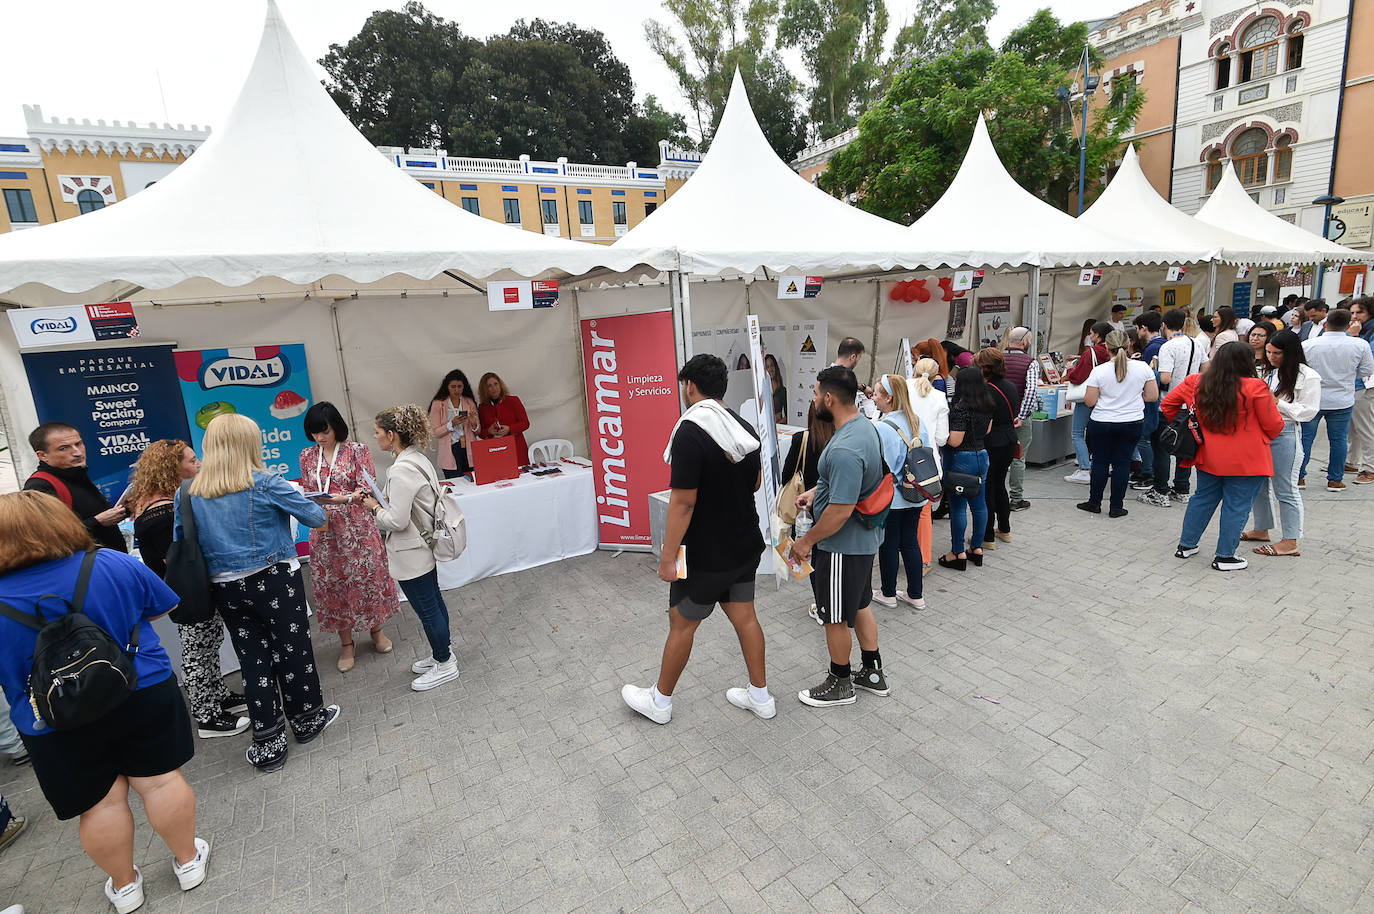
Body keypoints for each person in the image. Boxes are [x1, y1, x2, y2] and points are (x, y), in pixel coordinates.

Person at [0, 491, 211, 911]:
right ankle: (188, 862)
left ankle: (125, 886)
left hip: (50, 716)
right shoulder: (109, 563)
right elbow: (161, 608)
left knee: (99, 803)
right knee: (161, 780)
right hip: (140, 687)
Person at [176, 414, 338, 771]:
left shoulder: (188, 491)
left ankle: (268, 742)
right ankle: (308, 720)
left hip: (225, 588)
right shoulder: (266, 483)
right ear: (250, 444)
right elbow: (316, 518)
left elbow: (181, 541)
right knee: (292, 652)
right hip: (275, 578)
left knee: (253, 662)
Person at [622, 354, 771, 724]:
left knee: (682, 622)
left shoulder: (690, 430)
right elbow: (755, 483)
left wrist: (667, 556)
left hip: (705, 553)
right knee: (746, 618)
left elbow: (683, 501)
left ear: (690, 386)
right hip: (743, 544)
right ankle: (760, 696)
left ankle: (660, 702)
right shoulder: (742, 426)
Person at [127, 440, 249, 739]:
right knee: (197, 650)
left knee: (207, 644)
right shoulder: (164, 512)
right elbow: (177, 554)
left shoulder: (155, 501)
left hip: (184, 587)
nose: (199, 465)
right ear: (172, 468)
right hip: (186, 589)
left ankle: (218, 694)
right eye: (192, 461)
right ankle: (207, 715)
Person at [788, 367, 889, 707]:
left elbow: (840, 511)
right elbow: (850, 486)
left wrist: (806, 542)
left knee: (834, 616)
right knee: (860, 605)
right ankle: (872, 673)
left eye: (816, 393)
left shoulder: (845, 447)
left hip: (840, 547)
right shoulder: (864, 428)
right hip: (862, 543)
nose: (814, 399)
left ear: (829, 398)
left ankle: (840, 682)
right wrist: (818, 492)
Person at [360, 405, 459, 692]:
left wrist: (374, 506)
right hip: (422, 545)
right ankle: (444, 653)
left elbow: (396, 520)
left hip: (410, 550)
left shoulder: (400, 469)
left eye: (378, 433)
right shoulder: (417, 459)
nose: (375, 437)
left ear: (392, 435)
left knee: (428, 609)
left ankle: (444, 663)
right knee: (434, 603)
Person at [1161, 342, 1284, 571]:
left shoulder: (1197, 381)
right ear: (1248, 361)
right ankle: (1225, 556)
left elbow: (1168, 404)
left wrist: (1192, 424)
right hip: (1248, 459)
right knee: (1237, 506)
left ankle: (1186, 545)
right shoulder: (1256, 387)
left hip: (1208, 454)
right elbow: (1275, 426)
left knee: (1202, 499)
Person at [299, 402, 400, 673]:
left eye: (325, 431)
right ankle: (346, 644)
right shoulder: (307, 456)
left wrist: (343, 498)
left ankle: (376, 630)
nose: (320, 437)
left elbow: (367, 486)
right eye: (315, 432)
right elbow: (309, 490)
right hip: (325, 528)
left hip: (357, 526)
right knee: (334, 584)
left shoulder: (357, 450)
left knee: (366, 578)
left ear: (336, 428)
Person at [1243, 329, 1321, 557]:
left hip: (1286, 432)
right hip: (1262, 432)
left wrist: (1277, 403)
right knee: (1258, 485)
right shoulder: (1271, 372)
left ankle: (1290, 540)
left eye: (1277, 353)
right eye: (1268, 352)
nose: (1271, 357)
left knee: (1286, 489)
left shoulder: (1308, 376)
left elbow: (1309, 412)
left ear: (1291, 352)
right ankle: (1262, 528)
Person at [1079, 330, 1159, 518]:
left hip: (1102, 422)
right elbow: (1152, 396)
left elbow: (1090, 401)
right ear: (1129, 345)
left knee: (1099, 462)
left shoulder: (1099, 371)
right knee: (1122, 464)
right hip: (1131, 422)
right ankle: (1116, 507)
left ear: (1107, 347)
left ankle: (1094, 502)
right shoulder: (1144, 368)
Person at [1140, 309, 1211, 507]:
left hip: (1168, 404)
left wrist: (1152, 371)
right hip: (1189, 405)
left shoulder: (1168, 347)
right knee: (1185, 447)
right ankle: (1181, 488)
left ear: (1164, 325)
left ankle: (1160, 489)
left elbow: (1165, 378)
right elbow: (1205, 371)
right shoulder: (1196, 343)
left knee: (1162, 447)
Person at [1300, 308, 1374, 490]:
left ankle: (1299, 476)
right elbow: (1366, 371)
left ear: (1325, 324)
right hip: (1342, 398)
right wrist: (1348, 375)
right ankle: (1335, 479)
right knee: (1339, 440)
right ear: (1348, 325)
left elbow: (1301, 370)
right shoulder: (1359, 344)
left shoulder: (1309, 344)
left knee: (1305, 439)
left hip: (1314, 398)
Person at [22, 422, 126, 552]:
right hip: (86, 567)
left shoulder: (74, 473)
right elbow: (46, 537)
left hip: (108, 561)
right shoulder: (39, 486)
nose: (77, 452)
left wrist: (126, 509)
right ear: (43, 456)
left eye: (78, 444)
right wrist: (97, 522)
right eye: (64, 448)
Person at [871, 375, 928, 610]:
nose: (873, 397)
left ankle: (888, 593)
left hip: (892, 496)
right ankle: (916, 595)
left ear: (888, 398)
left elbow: (877, 465)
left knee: (889, 544)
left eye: (876, 394)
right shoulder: (917, 421)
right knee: (911, 542)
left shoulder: (881, 428)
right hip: (916, 492)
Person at [940, 366, 994, 570]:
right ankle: (977, 548)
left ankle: (957, 552)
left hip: (962, 459)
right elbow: (987, 430)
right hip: (982, 456)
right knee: (980, 505)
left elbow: (955, 441)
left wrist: (941, 438)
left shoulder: (960, 407)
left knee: (959, 507)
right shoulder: (988, 403)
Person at [906, 357, 949, 564]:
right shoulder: (940, 397)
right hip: (927, 465)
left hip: (900, 459)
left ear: (914, 370)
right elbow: (942, 437)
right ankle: (922, 559)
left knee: (896, 512)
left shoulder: (902, 388)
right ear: (935, 377)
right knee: (923, 513)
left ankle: (894, 554)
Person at [974, 349, 1019, 548]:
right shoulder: (1010, 386)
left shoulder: (986, 390)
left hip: (993, 441)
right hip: (1010, 440)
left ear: (985, 368)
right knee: (1000, 485)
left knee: (988, 488)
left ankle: (987, 537)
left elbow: (983, 420)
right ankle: (1004, 529)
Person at [1064, 322, 1113, 484]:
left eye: (1091, 334)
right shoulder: (1112, 352)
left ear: (1098, 335)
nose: (1090, 337)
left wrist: (1071, 368)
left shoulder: (1091, 352)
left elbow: (1078, 377)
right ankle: (1100, 465)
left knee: (1077, 433)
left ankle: (1084, 469)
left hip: (1087, 397)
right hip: (1106, 397)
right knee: (1100, 434)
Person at [1002, 327, 1038, 511]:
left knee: (995, 456)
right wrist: (1022, 416)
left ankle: (993, 493)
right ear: (1024, 342)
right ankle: (1016, 498)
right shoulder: (1030, 362)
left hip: (997, 417)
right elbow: (1031, 391)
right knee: (1018, 457)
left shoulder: (997, 358)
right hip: (1017, 417)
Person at [1130, 311, 1166, 491]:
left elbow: (1146, 377)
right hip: (1156, 399)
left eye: (1137, 329)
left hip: (1149, 400)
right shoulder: (1162, 345)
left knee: (1144, 439)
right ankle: (1147, 470)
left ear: (1144, 328)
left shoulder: (1153, 348)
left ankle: (1148, 472)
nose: (1137, 333)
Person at [428, 370, 481, 479]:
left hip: (469, 449)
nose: (456, 390)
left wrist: (473, 422)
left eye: (459, 386)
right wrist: (452, 424)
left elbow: (478, 431)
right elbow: (436, 432)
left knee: (472, 482)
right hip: (450, 450)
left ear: (464, 386)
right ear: (447, 387)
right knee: (456, 484)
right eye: (453, 386)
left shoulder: (469, 402)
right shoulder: (438, 403)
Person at [1343, 296, 1374, 483]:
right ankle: (1351, 461)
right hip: (1352, 384)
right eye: (1352, 312)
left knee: (1366, 428)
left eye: (1359, 312)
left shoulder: (1369, 332)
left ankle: (1370, 467)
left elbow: (1368, 358)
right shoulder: (1356, 330)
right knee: (1352, 427)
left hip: (1366, 385)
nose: (1355, 316)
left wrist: (1353, 337)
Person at [476, 372, 531, 466]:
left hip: (516, 448)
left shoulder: (513, 401)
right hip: (495, 451)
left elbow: (525, 423)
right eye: (489, 386)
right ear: (485, 389)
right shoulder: (482, 407)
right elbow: (481, 432)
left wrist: (509, 429)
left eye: (496, 384)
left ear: (500, 385)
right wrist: (489, 431)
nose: (494, 388)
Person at [833, 337, 878, 419]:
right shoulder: (839, 378)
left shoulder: (833, 375)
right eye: (859, 358)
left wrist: (862, 387)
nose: (857, 362)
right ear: (853, 357)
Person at [765, 353, 787, 424]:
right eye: (767, 367)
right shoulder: (762, 390)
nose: (770, 369)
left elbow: (788, 416)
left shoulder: (782, 390)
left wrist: (777, 425)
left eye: (771, 365)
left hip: (779, 428)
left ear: (775, 367)